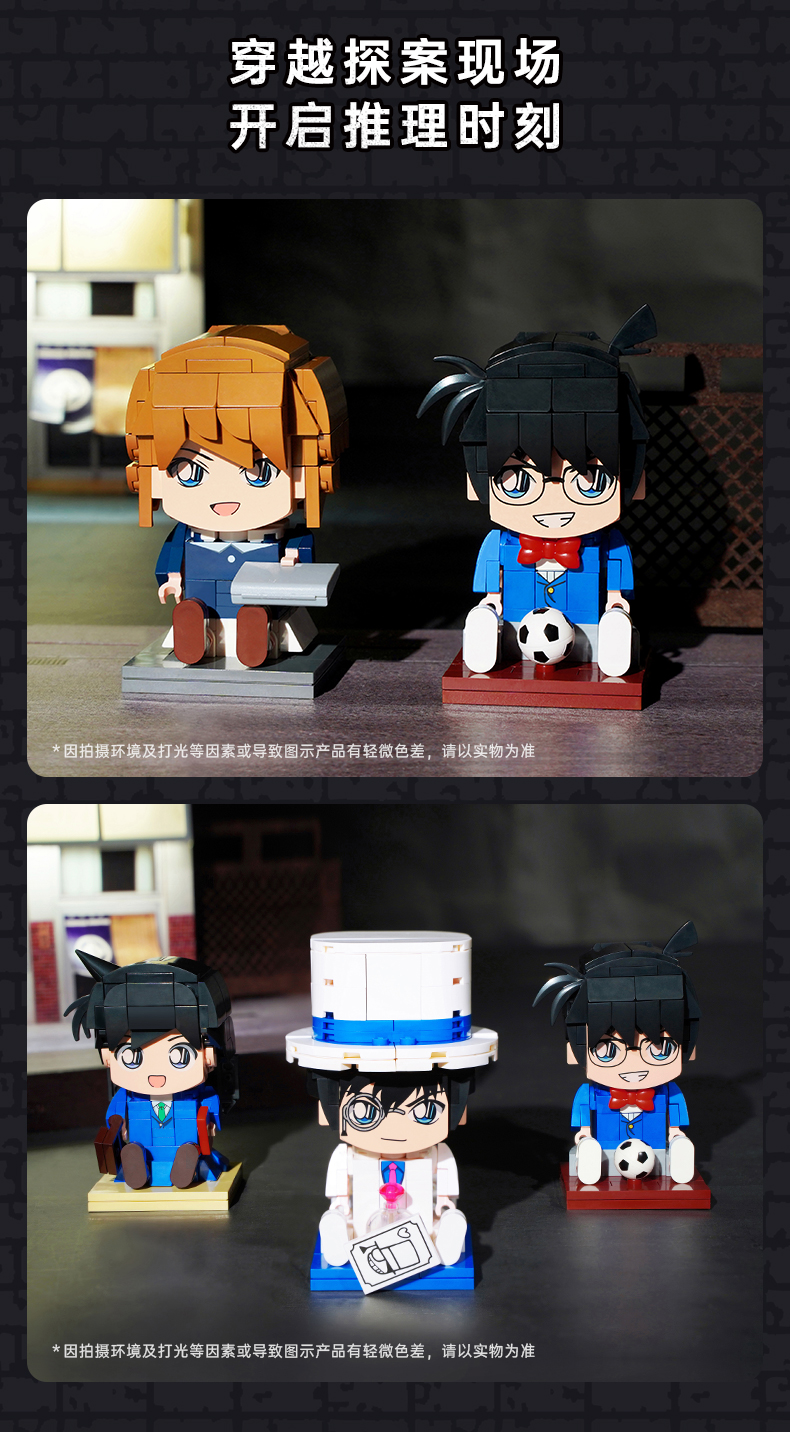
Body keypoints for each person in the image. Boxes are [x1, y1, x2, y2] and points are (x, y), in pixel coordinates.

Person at [418, 304, 656, 677]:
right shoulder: (500, 544)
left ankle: (613, 639)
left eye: (589, 481)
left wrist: (616, 606)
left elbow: (617, 586)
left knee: (611, 621)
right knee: (487, 613)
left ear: (635, 482)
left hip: (587, 628)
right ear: (474, 482)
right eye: (519, 481)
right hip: (515, 626)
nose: (554, 501)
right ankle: (486, 632)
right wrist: (491, 603)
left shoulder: (609, 543)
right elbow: (490, 584)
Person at [125, 324, 348, 667]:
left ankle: (257, 630)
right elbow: (172, 555)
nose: (223, 495)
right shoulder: (187, 535)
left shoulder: (280, 533)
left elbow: (301, 550)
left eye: (259, 474)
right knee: (197, 605)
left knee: (260, 609)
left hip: (262, 570)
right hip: (202, 571)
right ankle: (195, 627)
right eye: (190, 473)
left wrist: (293, 563)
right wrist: (172, 578)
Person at [533, 920, 700, 1185]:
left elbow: (676, 1119)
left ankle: (678, 1155)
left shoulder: (670, 1092)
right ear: (573, 1052)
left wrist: (676, 1134)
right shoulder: (590, 1093)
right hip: (606, 1151)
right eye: (608, 1051)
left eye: (659, 1048)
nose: (635, 1066)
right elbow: (583, 1119)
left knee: (676, 1144)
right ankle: (589, 1155)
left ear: (688, 1049)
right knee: (588, 1148)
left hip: (656, 1149)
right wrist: (584, 1134)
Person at [65, 952, 237, 1190]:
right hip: (142, 1136)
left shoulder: (197, 1092)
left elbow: (210, 1104)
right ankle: (136, 1159)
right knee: (137, 1146)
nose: (156, 1074)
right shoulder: (128, 1096)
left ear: (208, 1054)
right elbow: (116, 1114)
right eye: (132, 1056)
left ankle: (189, 1157)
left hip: (186, 1137)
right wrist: (116, 1125)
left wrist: (210, 1121)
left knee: (192, 1148)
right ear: (107, 1055)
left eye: (179, 1054)